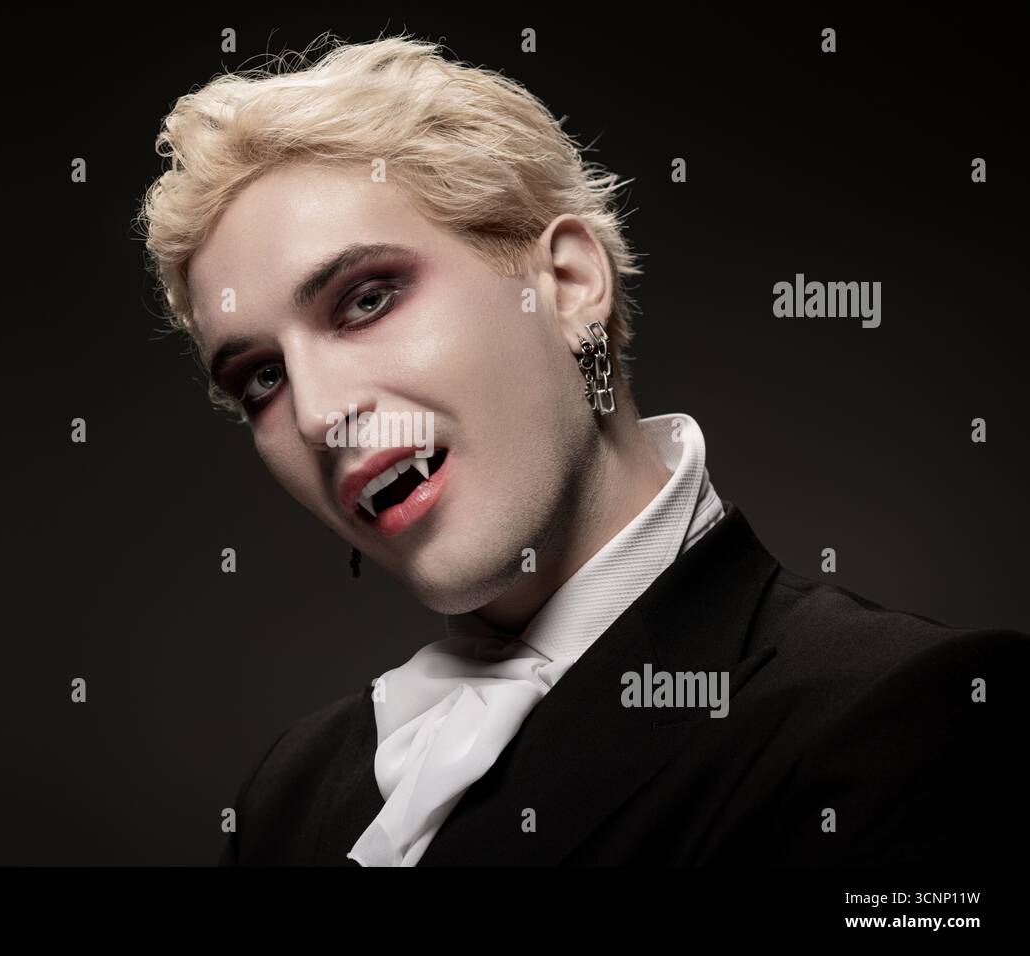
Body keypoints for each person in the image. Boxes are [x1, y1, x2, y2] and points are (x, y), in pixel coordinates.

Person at [136, 32, 1030, 866]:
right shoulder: (289, 798)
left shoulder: (904, 718)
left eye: (367, 300)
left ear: (567, 285)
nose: (319, 416)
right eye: (261, 378)